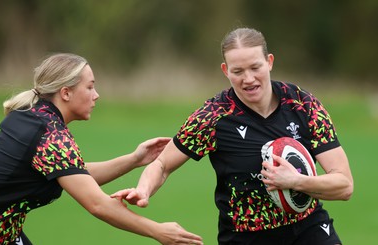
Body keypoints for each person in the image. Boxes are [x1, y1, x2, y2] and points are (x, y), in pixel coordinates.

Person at [111, 27, 354, 245]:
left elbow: (344, 185)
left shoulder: (303, 105)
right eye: (238, 71)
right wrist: (143, 190)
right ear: (225, 70)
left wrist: (295, 181)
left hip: (309, 229)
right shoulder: (213, 117)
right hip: (246, 236)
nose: (248, 79)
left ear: (269, 62)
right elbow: (163, 164)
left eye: (255, 67)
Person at [0, 53, 204, 245]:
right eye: (89, 87)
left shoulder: (32, 116)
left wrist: (135, 159)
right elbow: (97, 204)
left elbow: (74, 174)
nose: (96, 95)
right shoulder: (51, 136)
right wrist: (158, 231)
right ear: (66, 93)